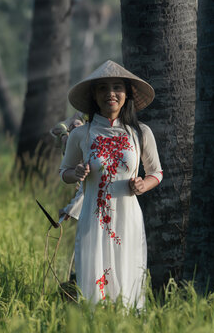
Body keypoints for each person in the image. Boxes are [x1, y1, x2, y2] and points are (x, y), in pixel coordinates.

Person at [59, 60, 163, 308]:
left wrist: (142, 185)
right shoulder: (81, 134)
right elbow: (64, 172)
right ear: (94, 95)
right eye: (103, 88)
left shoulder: (140, 133)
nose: (110, 94)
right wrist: (77, 172)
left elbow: (156, 172)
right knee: (94, 281)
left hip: (128, 219)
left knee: (128, 277)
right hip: (93, 220)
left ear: (127, 95)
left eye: (117, 87)